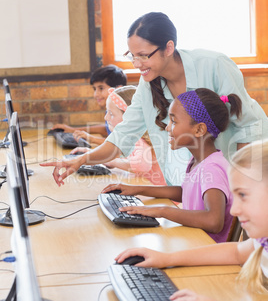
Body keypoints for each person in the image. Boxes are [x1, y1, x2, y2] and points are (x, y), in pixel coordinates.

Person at [41, 12, 268, 186]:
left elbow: (248, 125)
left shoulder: (213, 65)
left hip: (231, 176)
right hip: (188, 181)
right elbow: (123, 135)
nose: (137, 64)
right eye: (132, 56)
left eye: (143, 55)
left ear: (168, 48)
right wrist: (82, 159)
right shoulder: (148, 84)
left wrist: (242, 179)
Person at [114, 140, 268, 301]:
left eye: (243, 195)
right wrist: (167, 258)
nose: (235, 210)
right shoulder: (263, 242)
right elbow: (236, 252)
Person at [102, 88, 241, 243]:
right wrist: (138, 189)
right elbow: (187, 192)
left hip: (206, 248)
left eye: (174, 121)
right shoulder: (199, 160)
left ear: (199, 129)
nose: (168, 127)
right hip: (194, 241)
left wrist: (162, 211)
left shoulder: (212, 168)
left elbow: (213, 221)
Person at [102, 86, 165, 185]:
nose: (106, 117)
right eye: (107, 112)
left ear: (130, 118)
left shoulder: (138, 139)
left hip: (164, 197)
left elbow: (142, 165)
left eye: (111, 114)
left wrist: (113, 162)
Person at [52, 64, 127, 146]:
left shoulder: (124, 112)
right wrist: (73, 130)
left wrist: (91, 138)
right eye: (95, 89)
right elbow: (107, 129)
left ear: (118, 88)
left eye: (101, 88)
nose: (96, 94)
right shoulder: (111, 109)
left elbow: (120, 142)